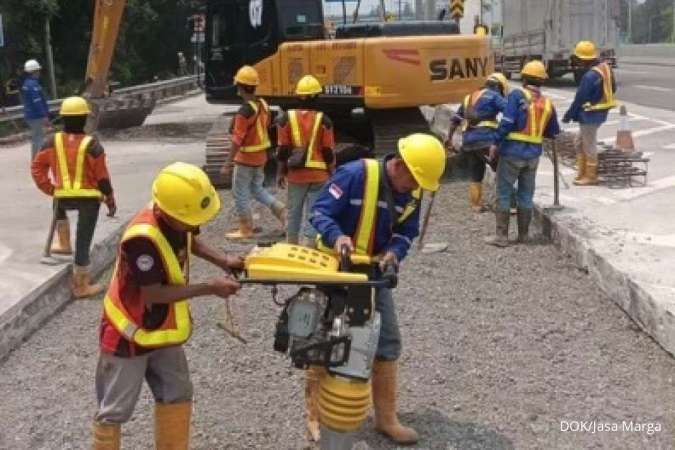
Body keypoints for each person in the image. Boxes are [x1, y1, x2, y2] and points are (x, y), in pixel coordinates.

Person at [91, 162, 243, 450]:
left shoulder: (174, 212)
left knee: (177, 393)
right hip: (128, 333)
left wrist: (224, 260)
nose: (198, 225)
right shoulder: (141, 241)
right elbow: (153, 295)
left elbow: (190, 238)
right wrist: (210, 287)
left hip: (160, 328)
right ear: (169, 213)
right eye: (192, 219)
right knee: (114, 411)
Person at [309, 133, 446, 445]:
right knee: (321, 339)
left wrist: (394, 253)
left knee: (387, 341)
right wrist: (337, 237)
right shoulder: (355, 174)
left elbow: (406, 232)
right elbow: (320, 212)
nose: (415, 188)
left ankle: (385, 418)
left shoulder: (412, 191)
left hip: (371, 272)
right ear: (399, 165)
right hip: (332, 265)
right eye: (412, 180)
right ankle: (316, 416)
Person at [31, 96, 116, 298]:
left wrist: (49, 188)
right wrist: (110, 200)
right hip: (88, 199)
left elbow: (37, 167)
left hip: (62, 197)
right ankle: (80, 286)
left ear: (63, 119)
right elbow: (102, 178)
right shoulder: (93, 145)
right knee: (83, 241)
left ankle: (63, 242)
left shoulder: (51, 141)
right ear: (85, 118)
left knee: (58, 205)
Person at [487, 60, 560, 247]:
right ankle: (524, 236)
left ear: (524, 78)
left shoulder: (517, 95)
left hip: (512, 153)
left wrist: (495, 143)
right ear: (542, 81)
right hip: (533, 156)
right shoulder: (547, 103)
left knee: (503, 192)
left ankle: (502, 237)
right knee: (526, 195)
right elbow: (553, 131)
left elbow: (507, 122)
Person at [221, 65, 285, 239]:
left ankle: (245, 229)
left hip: (245, 159)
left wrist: (228, 163)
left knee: (239, 192)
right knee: (256, 189)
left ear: (240, 87)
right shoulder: (263, 105)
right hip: (260, 157)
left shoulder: (244, 111)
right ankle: (281, 210)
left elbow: (237, 139)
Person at [276, 74, 335, 247]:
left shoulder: (285, 119)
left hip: (296, 176)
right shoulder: (324, 120)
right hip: (319, 176)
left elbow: (283, 149)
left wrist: (280, 172)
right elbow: (328, 151)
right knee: (314, 211)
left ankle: (292, 244)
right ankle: (310, 245)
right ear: (317, 96)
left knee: (294, 210)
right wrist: (332, 172)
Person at [447, 72, 508, 212]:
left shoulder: (469, 97)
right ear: (500, 86)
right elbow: (509, 113)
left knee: (476, 173)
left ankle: (476, 205)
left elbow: (455, 119)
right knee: (503, 169)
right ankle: (506, 205)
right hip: (486, 140)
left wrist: (449, 138)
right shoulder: (494, 95)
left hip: (468, 143)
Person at [563, 40, 617, 186]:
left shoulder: (589, 77)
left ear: (583, 59)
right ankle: (582, 171)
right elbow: (613, 87)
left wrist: (569, 115)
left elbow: (579, 98)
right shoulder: (605, 68)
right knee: (579, 142)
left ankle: (591, 176)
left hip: (590, 115)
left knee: (588, 144)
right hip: (599, 113)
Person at [21, 59, 50, 160]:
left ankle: (36, 158)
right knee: (38, 138)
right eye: (38, 70)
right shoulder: (32, 85)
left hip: (32, 115)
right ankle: (38, 159)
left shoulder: (28, 83)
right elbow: (37, 102)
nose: (39, 72)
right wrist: (45, 115)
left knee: (37, 137)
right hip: (35, 116)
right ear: (34, 71)